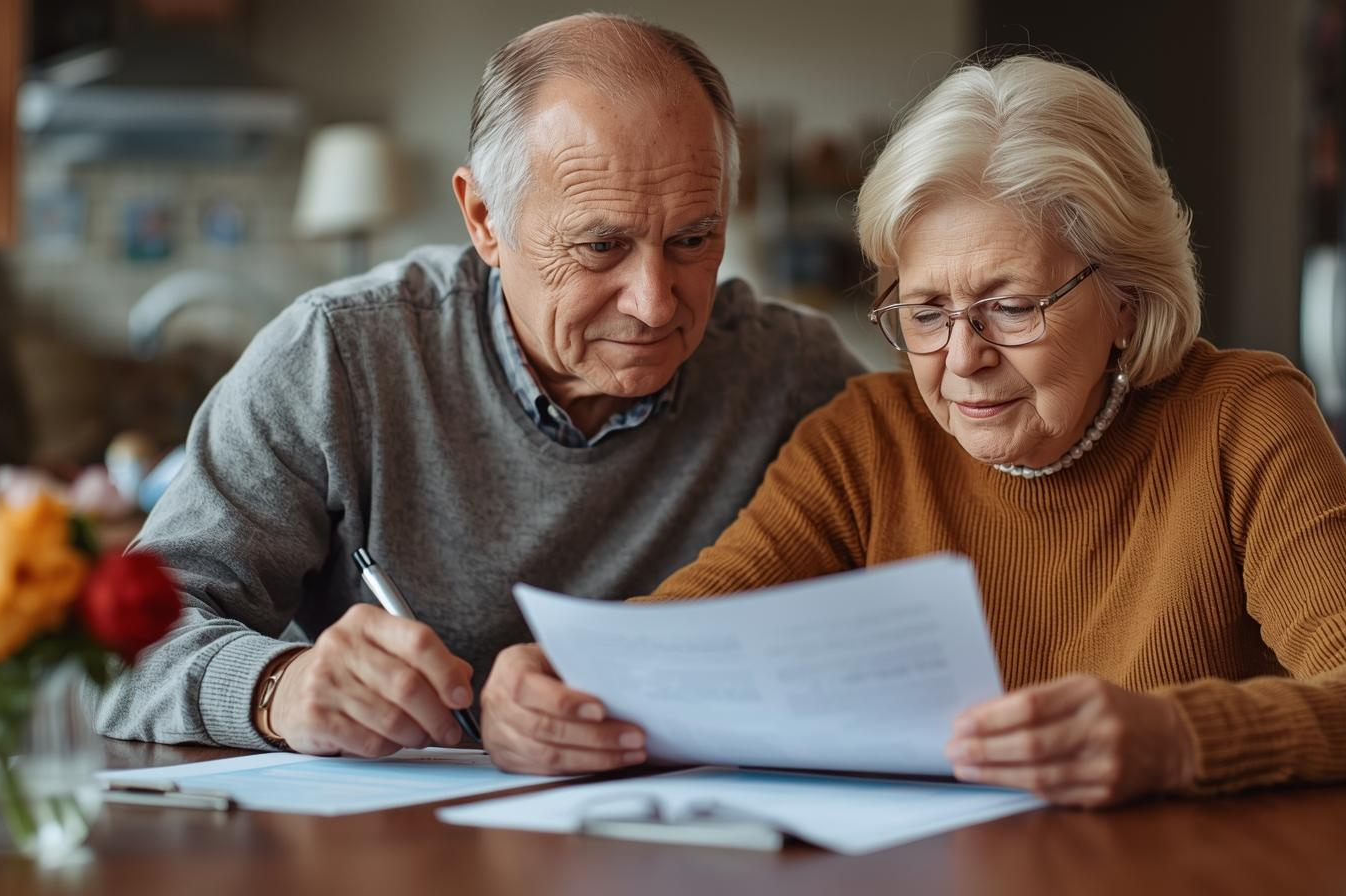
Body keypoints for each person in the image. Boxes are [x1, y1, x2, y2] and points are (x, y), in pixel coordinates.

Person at [479, 55, 1346, 806]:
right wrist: (557, 686)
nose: (960, 360)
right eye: (924, 309)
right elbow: (681, 642)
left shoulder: (1239, 417)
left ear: (1125, 298)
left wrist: (1174, 735)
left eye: (1010, 305)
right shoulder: (864, 437)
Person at [88, 14, 864, 758]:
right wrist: (279, 689)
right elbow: (119, 649)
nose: (655, 302)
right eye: (601, 246)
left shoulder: (790, 372)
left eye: (693, 240)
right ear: (485, 218)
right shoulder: (337, 358)